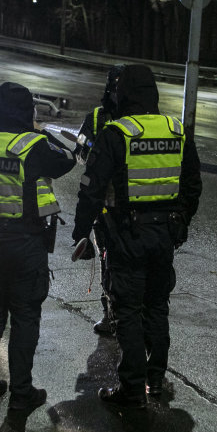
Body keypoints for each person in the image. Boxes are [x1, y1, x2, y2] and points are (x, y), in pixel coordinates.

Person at [72, 64, 202, 408]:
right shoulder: (176, 130)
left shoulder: (117, 133)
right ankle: (155, 380)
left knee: (127, 310)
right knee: (157, 307)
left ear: (123, 92)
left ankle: (131, 388)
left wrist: (81, 232)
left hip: (126, 235)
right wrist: (179, 221)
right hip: (164, 235)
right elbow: (193, 185)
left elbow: (91, 189)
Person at [0, 82, 76, 410]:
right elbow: (69, 159)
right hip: (23, 242)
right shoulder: (35, 146)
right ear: (28, 112)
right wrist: (39, 130)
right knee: (25, 317)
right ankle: (21, 393)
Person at [74, 64, 124, 337]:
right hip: (104, 204)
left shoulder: (146, 118)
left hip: (131, 204)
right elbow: (79, 150)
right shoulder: (95, 118)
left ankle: (121, 315)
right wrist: (93, 154)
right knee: (108, 259)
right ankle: (110, 312)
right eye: (115, 85)